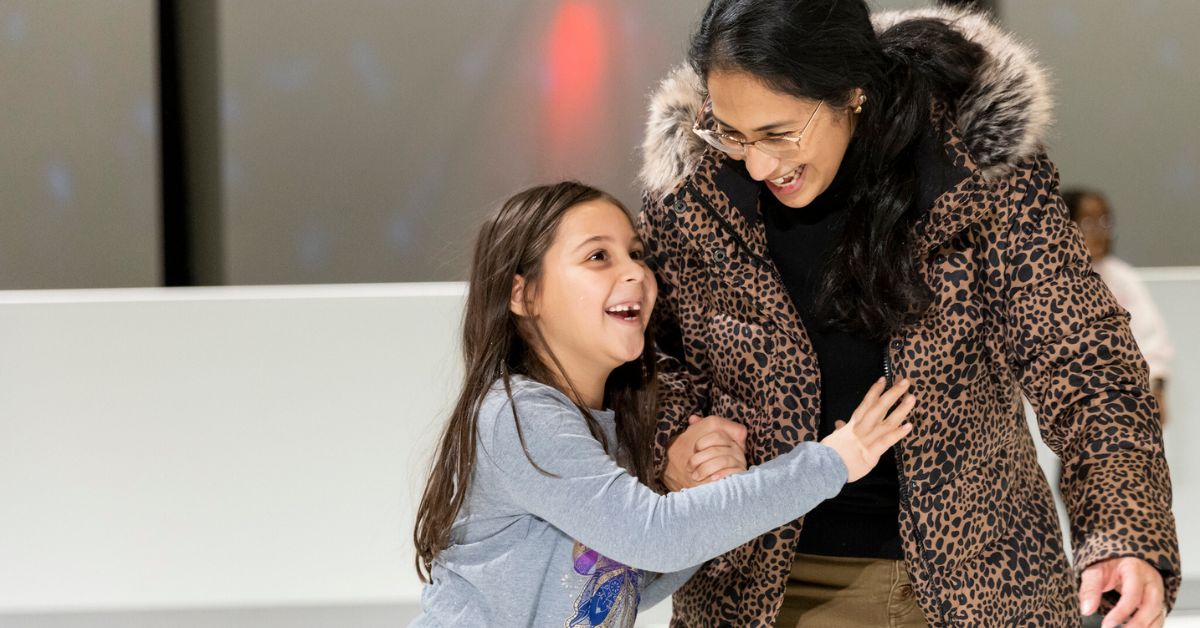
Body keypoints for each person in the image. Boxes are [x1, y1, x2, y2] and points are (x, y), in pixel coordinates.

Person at [636, 2, 1179, 626]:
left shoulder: (976, 175)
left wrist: (1122, 532)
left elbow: (1084, 362)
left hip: (971, 586)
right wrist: (669, 443)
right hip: (744, 586)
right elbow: (649, 357)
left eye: (779, 134)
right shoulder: (691, 194)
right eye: (731, 132)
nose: (757, 164)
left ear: (852, 94)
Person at [409, 181, 915, 627]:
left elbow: (632, 583)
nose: (635, 272)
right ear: (523, 295)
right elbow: (653, 537)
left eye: (636, 254)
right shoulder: (518, 416)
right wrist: (832, 461)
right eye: (598, 256)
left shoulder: (604, 424)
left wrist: (704, 487)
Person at [1065, 188, 1174, 425]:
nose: (1100, 231)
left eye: (1105, 221)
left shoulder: (1122, 278)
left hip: (1127, 407)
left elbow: (1152, 338)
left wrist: (1157, 390)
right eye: (1088, 222)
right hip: (1073, 413)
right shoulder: (1052, 283)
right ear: (1066, 226)